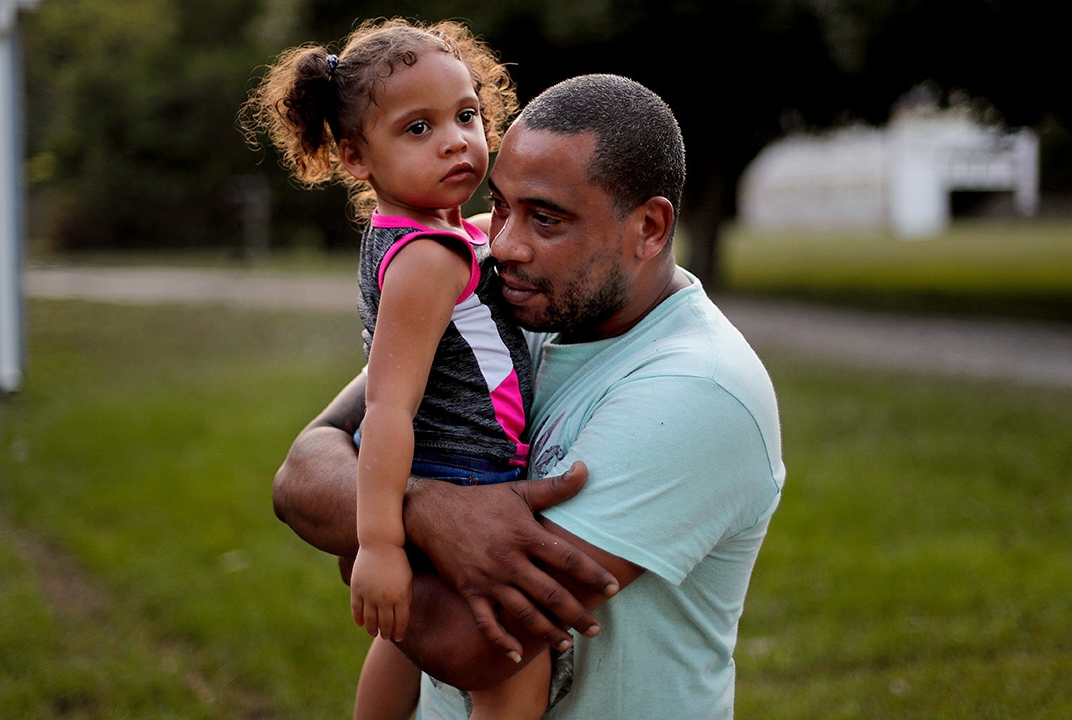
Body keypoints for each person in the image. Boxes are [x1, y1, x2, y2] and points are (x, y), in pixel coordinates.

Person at [272, 73, 785, 718]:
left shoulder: (698, 389)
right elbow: (303, 470)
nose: (506, 244)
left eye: (546, 218)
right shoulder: (505, 298)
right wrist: (425, 512)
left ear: (650, 228)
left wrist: (365, 546)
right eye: (503, 207)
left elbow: (479, 643)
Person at [244, 18, 552, 720]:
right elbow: (385, 407)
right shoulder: (426, 260)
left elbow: (475, 241)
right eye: (418, 129)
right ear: (356, 157)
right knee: (514, 667)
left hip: (455, 465)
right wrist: (379, 542)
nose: (454, 139)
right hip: (467, 473)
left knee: (401, 637)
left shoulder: (426, 234)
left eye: (466, 115)